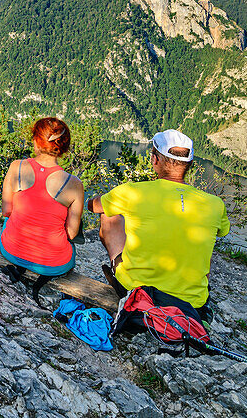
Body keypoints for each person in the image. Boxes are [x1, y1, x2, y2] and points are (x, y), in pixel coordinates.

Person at [88, 129, 230, 313]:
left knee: (108, 213)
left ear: (154, 159)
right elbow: (222, 232)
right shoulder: (215, 204)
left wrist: (106, 198)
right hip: (191, 302)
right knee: (205, 235)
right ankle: (185, 287)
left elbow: (94, 206)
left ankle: (122, 271)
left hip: (137, 292)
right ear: (190, 164)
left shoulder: (132, 192)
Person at [0, 117, 85, 293]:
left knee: (9, 222)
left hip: (11, 250)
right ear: (63, 147)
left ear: (36, 142)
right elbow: (71, 233)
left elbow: (7, 211)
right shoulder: (74, 184)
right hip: (53, 264)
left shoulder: (16, 167)